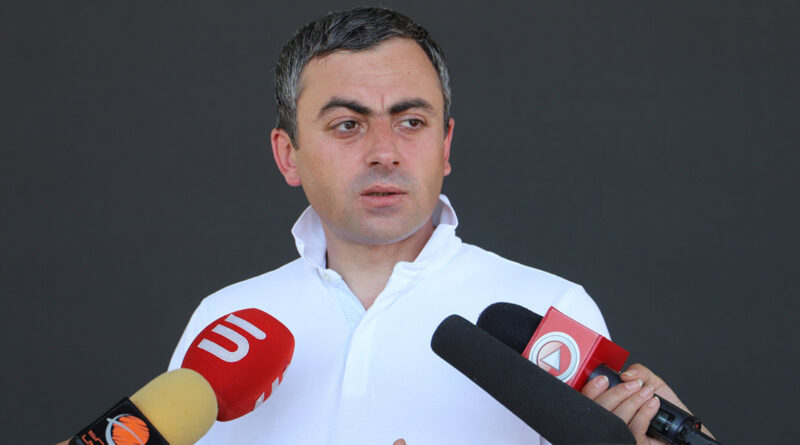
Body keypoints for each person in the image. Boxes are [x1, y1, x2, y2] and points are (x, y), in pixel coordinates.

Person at [169, 7, 707, 444]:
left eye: (411, 122)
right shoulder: (223, 321)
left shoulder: (552, 311)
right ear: (289, 155)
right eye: (348, 124)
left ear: (444, 145)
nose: (384, 152)